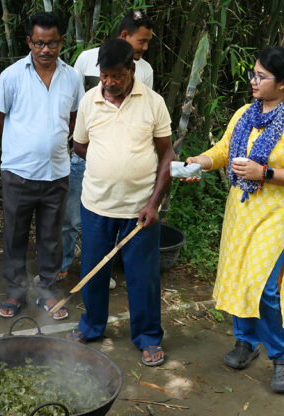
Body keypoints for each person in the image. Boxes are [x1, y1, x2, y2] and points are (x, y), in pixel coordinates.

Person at [184, 46, 284, 392]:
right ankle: (246, 341)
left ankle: (282, 356)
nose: (253, 81)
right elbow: (225, 150)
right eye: (253, 74)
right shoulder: (245, 113)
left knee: (263, 287)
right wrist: (200, 160)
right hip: (241, 209)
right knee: (237, 276)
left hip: (276, 212)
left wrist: (267, 172)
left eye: (262, 76)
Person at [67, 38, 174, 367]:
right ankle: (93, 326)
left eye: (116, 75)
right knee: (93, 271)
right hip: (96, 204)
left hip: (139, 209)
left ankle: (147, 337)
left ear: (132, 70)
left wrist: (154, 203)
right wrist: (107, 162)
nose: (109, 83)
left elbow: (167, 153)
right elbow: (80, 145)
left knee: (143, 277)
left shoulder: (153, 103)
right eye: (104, 76)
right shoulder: (89, 102)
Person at [0, 12, 84, 320]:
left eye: (52, 43)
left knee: (50, 237)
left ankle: (46, 292)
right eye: (39, 43)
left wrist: (52, 140)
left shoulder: (71, 77)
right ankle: (16, 292)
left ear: (61, 42)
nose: (45, 50)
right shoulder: (13, 75)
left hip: (57, 172)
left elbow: (75, 118)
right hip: (18, 173)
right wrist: (21, 143)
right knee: (14, 234)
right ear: (29, 41)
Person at [60, 10, 155, 289]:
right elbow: (76, 101)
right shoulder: (87, 59)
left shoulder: (144, 70)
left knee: (112, 218)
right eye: (142, 41)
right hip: (84, 153)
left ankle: (102, 271)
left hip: (121, 157)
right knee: (71, 216)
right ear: (125, 36)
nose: (145, 48)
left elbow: (142, 112)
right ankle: (64, 267)